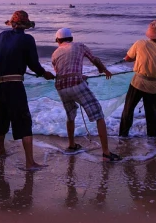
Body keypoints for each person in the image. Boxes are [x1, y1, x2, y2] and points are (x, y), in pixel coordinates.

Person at [0, 10, 55, 170]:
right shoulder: (28, 39)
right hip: (14, 85)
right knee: (24, 121)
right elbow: (33, 64)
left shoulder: (2, 35)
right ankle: (30, 163)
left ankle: (1, 150)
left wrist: (5, 54)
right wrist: (44, 73)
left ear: (12, 23)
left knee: (1, 117)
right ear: (26, 25)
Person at [51, 27, 121, 162]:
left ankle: (71, 145)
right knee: (99, 115)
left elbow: (61, 72)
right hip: (76, 84)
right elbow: (95, 59)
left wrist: (79, 75)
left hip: (60, 86)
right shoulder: (79, 46)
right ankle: (106, 153)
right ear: (71, 38)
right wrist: (104, 70)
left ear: (58, 40)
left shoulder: (55, 53)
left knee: (70, 115)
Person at [119, 20, 156, 138]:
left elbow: (128, 58)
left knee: (128, 109)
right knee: (152, 113)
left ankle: (123, 135)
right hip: (154, 86)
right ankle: (152, 138)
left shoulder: (140, 43)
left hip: (138, 82)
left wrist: (131, 59)